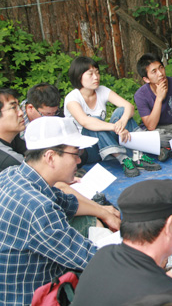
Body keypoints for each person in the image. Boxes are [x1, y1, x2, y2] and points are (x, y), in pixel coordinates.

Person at [0, 116, 121, 305]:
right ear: (50, 157)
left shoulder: (13, 175)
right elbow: (88, 258)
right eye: (75, 154)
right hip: (31, 297)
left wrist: (103, 212)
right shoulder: (38, 207)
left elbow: (67, 202)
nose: (80, 161)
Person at [65, 56, 160, 177]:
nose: (96, 77)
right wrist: (114, 127)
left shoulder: (102, 90)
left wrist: (122, 121)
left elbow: (129, 107)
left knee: (121, 111)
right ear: (79, 77)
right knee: (95, 121)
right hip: (87, 150)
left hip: (104, 142)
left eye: (97, 73)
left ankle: (138, 155)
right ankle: (123, 159)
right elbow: (85, 122)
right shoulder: (72, 98)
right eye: (90, 74)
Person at [0, 88, 27, 171]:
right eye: (13, 107)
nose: (21, 113)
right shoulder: (6, 159)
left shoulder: (14, 138)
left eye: (18, 107)